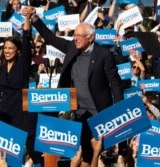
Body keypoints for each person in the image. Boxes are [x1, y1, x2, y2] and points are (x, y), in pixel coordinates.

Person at [23, 6, 124, 166]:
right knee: (82, 153)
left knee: (96, 153)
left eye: (79, 36)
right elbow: (50, 37)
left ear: (91, 38)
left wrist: (117, 111)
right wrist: (34, 18)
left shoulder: (104, 55)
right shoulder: (72, 47)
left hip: (98, 112)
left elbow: (115, 84)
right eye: (75, 35)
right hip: (77, 112)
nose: (75, 38)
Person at [0, 13, 43, 165]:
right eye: (5, 48)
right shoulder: (0, 68)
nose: (7, 51)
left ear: (18, 51)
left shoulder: (23, 64)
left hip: (23, 113)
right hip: (6, 113)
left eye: (10, 48)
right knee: (10, 152)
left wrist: (27, 18)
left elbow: (26, 38)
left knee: (32, 149)